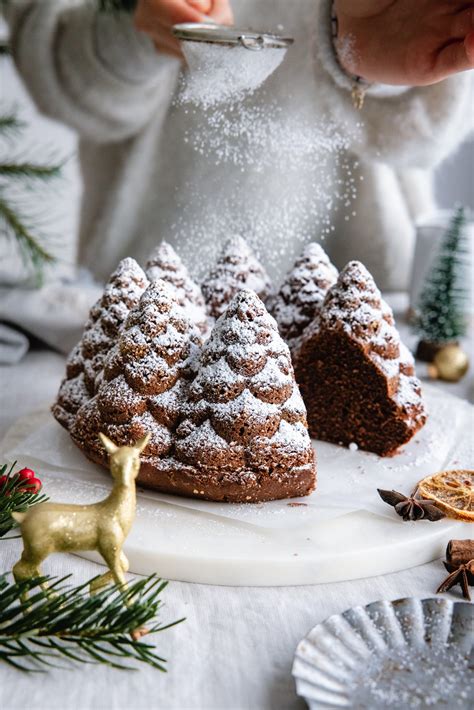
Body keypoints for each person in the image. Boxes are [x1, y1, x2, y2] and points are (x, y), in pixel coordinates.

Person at [7, 0, 474, 289]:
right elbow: (62, 81)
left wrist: (362, 62)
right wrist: (133, 26)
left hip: (359, 270)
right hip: (148, 278)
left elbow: (422, 138)